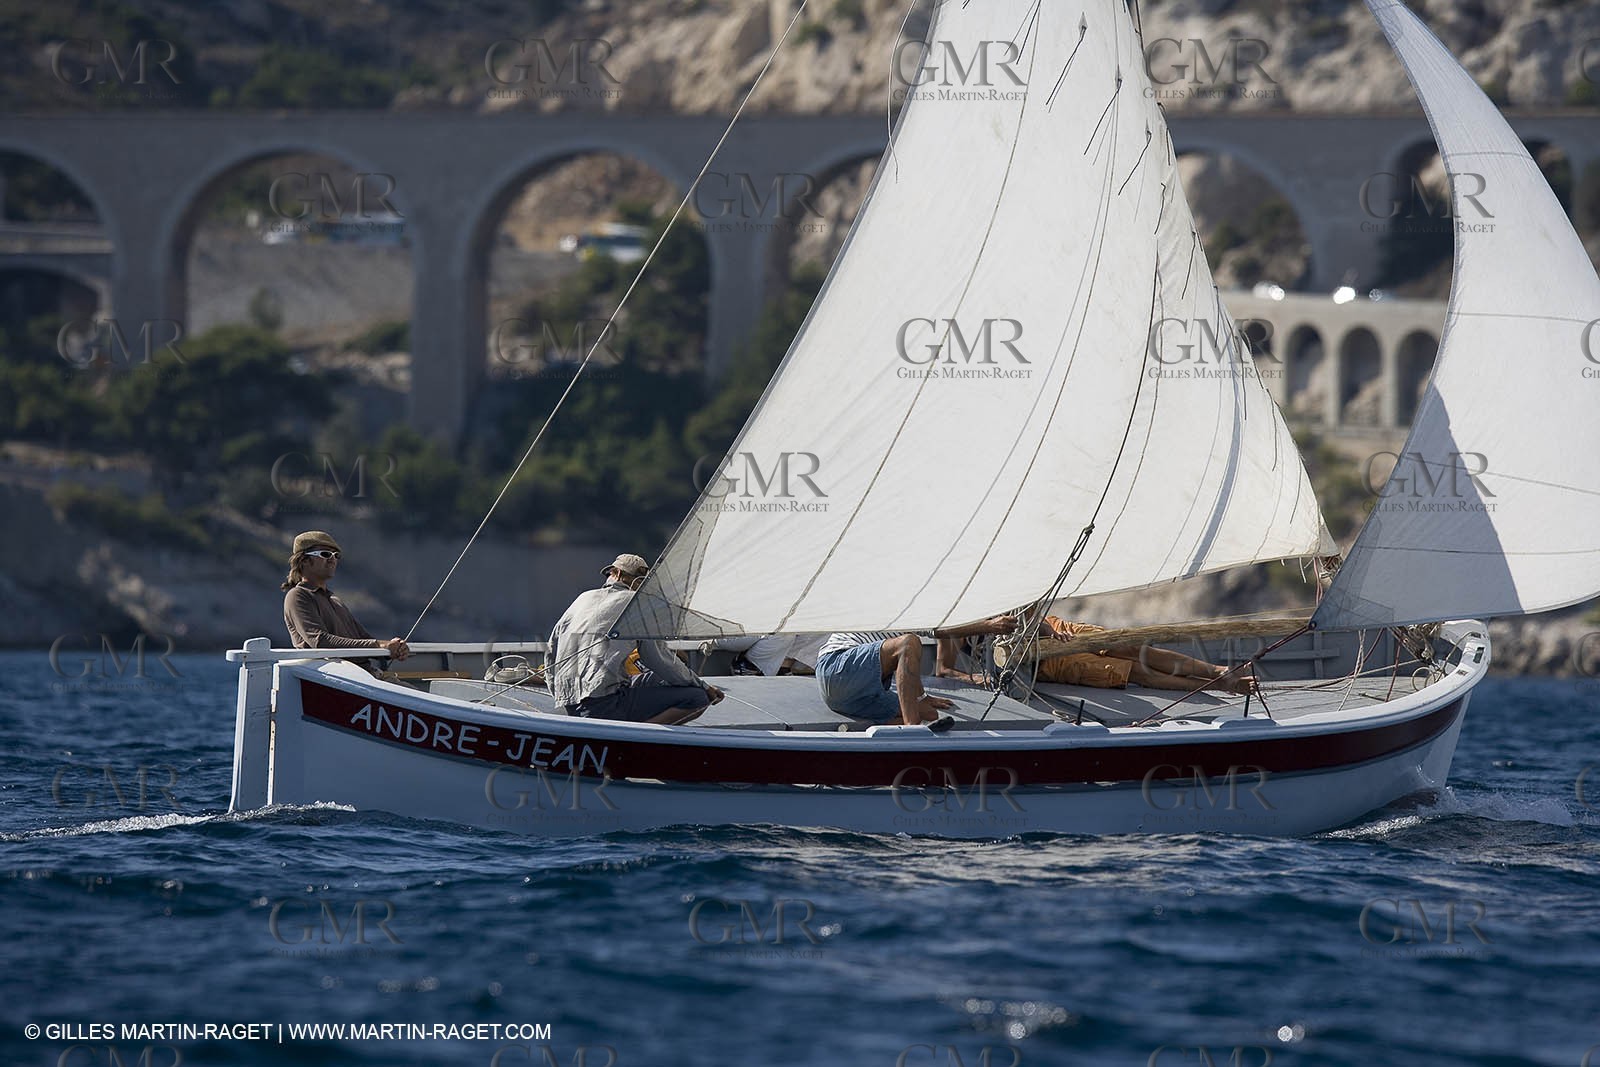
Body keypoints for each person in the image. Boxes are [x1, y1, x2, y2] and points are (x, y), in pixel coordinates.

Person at [546, 553, 724, 725]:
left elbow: (551, 649)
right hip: (603, 706)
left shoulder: (583, 598)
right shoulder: (638, 605)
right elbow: (659, 660)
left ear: (616, 573)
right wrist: (704, 686)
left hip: (570, 704)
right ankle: (637, 736)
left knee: (656, 678)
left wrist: (559, 694)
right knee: (697, 697)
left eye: (610, 573)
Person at [816, 615, 1018, 728]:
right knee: (909, 643)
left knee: (928, 714)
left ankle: (882, 731)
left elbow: (908, 664)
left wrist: (921, 697)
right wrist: (989, 626)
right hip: (835, 666)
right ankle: (912, 730)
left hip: (848, 696)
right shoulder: (899, 602)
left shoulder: (913, 609)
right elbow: (941, 631)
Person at [1030, 616, 1254, 694]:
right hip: (1042, 661)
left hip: (1050, 626)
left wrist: (1050, 630)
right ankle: (1219, 685)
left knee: (1130, 648)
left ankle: (1220, 672)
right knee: (1133, 672)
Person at [281, 530, 410, 659]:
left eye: (336, 555)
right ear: (303, 560)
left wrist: (394, 648)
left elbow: (362, 638)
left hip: (363, 674)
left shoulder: (335, 601)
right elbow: (320, 641)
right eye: (325, 554)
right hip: (330, 676)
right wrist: (381, 646)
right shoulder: (297, 596)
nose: (333, 560)